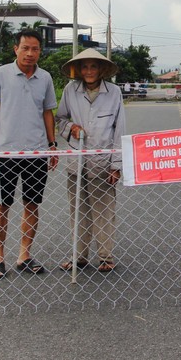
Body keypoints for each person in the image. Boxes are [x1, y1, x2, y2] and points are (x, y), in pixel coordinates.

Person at [0, 29, 59, 279]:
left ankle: (24, 255)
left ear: (40, 51)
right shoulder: (0, 75)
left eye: (35, 49)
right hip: (6, 153)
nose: (30, 53)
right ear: (15, 49)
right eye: (25, 48)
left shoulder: (45, 78)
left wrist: (52, 145)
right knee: (2, 205)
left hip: (36, 153)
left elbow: (48, 112)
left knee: (32, 205)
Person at [56, 48, 125, 273]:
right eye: (84, 67)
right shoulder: (70, 90)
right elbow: (60, 119)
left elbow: (119, 130)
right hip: (77, 161)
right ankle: (79, 257)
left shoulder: (113, 92)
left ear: (102, 69)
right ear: (79, 70)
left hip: (102, 161)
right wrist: (71, 128)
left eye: (93, 66)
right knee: (78, 211)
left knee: (104, 211)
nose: (88, 71)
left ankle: (105, 256)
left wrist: (116, 165)